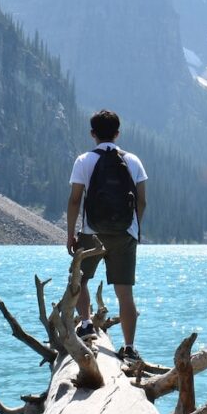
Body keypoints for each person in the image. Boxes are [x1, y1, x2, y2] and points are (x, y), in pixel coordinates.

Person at [66, 109, 148, 363]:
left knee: (80, 280)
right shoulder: (133, 160)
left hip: (92, 233)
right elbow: (142, 202)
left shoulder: (84, 160)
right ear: (117, 132)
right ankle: (130, 348)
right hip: (125, 234)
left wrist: (71, 234)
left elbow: (75, 200)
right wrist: (134, 229)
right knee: (125, 292)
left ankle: (87, 324)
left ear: (93, 134)